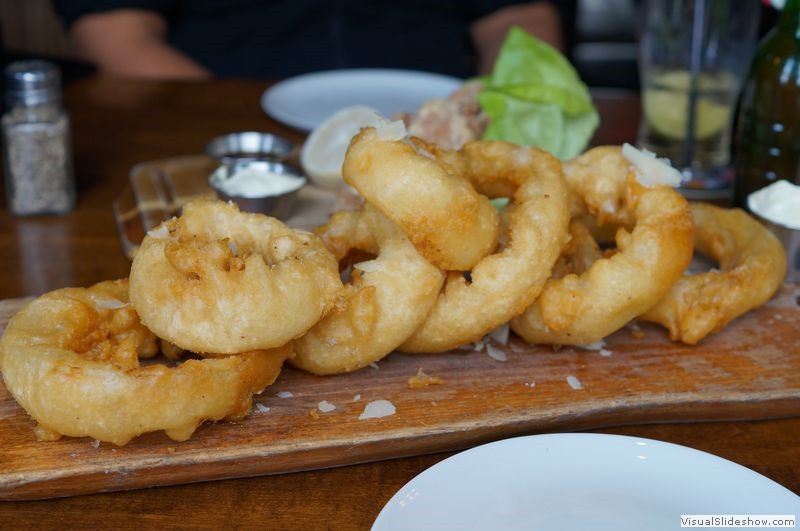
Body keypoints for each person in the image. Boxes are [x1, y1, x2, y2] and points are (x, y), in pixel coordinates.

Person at [51, 1, 574, 80]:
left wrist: (483, 111)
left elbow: (521, 19)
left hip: (438, 122)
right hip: (227, 144)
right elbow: (114, 35)